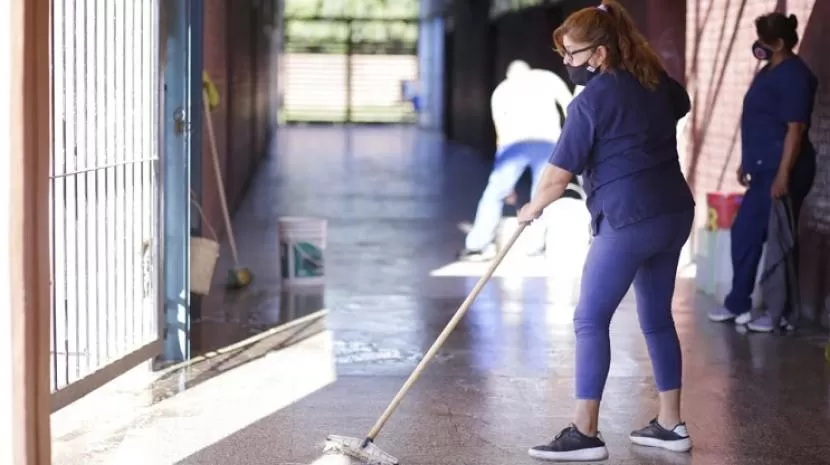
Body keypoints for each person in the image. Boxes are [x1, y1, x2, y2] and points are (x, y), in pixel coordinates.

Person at [515, 1, 695, 461]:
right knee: (655, 317)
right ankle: (671, 424)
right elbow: (682, 103)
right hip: (673, 213)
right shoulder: (655, 81)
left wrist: (529, 209)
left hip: (628, 220)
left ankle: (585, 432)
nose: (568, 63)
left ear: (598, 54)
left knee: (590, 318)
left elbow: (557, 176)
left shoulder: (589, 102)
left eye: (573, 55)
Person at [707, 12, 817, 331]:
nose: (758, 47)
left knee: (774, 238)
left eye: (764, 42)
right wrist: (745, 160)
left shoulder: (795, 76)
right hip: (762, 167)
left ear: (780, 43)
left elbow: (795, 130)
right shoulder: (768, 71)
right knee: (747, 234)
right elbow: (759, 120)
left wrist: (782, 176)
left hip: (782, 169)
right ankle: (740, 303)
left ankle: (777, 312)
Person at [458, 60, 576, 261]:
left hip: (514, 145)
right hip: (547, 143)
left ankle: (478, 244)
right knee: (543, 193)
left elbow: (500, 129)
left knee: (494, 193)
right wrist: (571, 141)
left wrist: (503, 173)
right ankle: (536, 245)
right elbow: (571, 107)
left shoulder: (503, 89)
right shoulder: (547, 78)